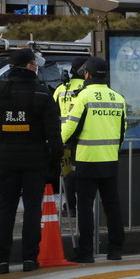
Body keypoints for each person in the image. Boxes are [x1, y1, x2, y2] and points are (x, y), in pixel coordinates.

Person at [0, 48, 63, 274]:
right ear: (29, 66)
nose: (36, 66)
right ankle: (29, 258)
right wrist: (53, 162)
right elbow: (53, 134)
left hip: (7, 159)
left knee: (6, 209)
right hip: (35, 160)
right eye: (34, 63)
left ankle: (1, 260)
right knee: (31, 210)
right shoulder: (41, 92)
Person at [61, 57, 126, 263]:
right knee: (112, 206)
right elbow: (122, 131)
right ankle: (115, 249)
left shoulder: (83, 97)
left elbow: (69, 127)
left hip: (86, 160)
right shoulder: (118, 98)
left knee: (85, 207)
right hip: (109, 159)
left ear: (87, 74)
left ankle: (86, 251)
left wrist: (57, 145)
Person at [54, 56, 88, 218]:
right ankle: (83, 205)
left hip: (64, 138)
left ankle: (70, 206)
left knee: (68, 174)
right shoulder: (86, 87)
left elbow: (54, 112)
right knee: (82, 173)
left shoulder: (61, 88)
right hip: (83, 137)